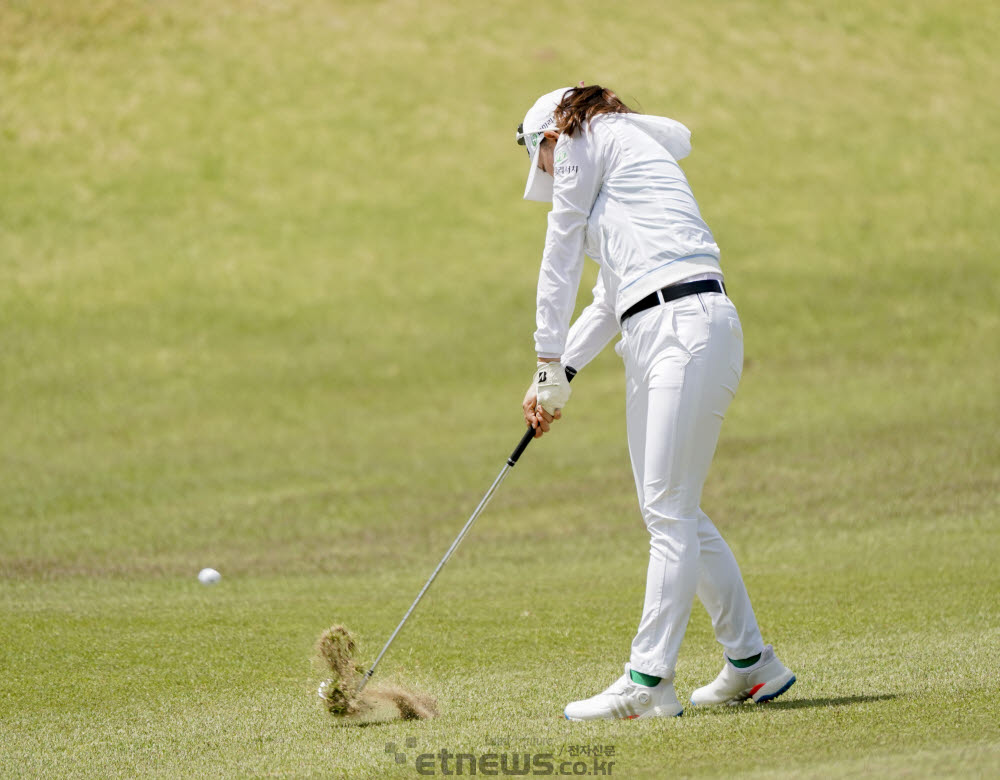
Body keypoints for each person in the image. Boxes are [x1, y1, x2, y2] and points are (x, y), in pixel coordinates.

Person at [515, 85, 796, 720]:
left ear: (552, 137)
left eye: (541, 158)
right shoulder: (621, 176)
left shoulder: (588, 138)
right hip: (661, 327)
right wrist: (558, 372)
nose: (547, 174)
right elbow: (609, 298)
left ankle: (648, 685)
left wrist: (543, 355)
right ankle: (752, 665)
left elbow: (559, 252)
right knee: (672, 510)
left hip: (684, 325)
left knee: (668, 512)